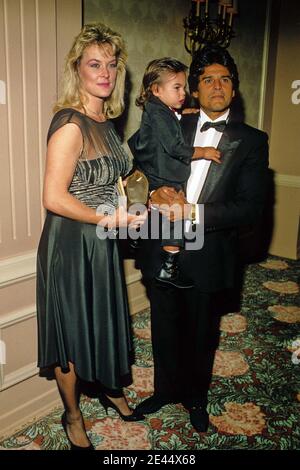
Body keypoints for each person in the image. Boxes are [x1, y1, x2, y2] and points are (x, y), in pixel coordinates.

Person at [135, 45, 269, 432]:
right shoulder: (168, 122)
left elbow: (250, 208)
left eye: (224, 79)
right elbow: (135, 164)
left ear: (234, 89)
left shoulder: (252, 141)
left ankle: (195, 397)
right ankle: (164, 390)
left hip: (209, 251)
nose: (217, 85)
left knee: (201, 331)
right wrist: (149, 191)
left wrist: (192, 211)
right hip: (161, 242)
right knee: (163, 322)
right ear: (194, 88)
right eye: (207, 79)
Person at [36, 23, 147, 451]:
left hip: (100, 239)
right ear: (77, 69)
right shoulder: (70, 123)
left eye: (111, 64)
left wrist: (136, 203)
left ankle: (107, 388)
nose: (105, 72)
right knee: (70, 330)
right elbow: (53, 198)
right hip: (71, 242)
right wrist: (112, 222)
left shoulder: (105, 118)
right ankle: (72, 413)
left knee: (99, 320)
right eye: (94, 64)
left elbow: (113, 180)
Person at [128, 57, 221, 288]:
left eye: (184, 87)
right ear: (156, 89)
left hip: (153, 168)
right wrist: (204, 151)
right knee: (176, 215)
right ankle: (169, 266)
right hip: (162, 174)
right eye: (177, 88)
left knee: (165, 215)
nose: (183, 93)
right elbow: (174, 147)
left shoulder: (159, 109)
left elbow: (163, 126)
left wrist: (183, 113)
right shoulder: (159, 113)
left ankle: (138, 236)